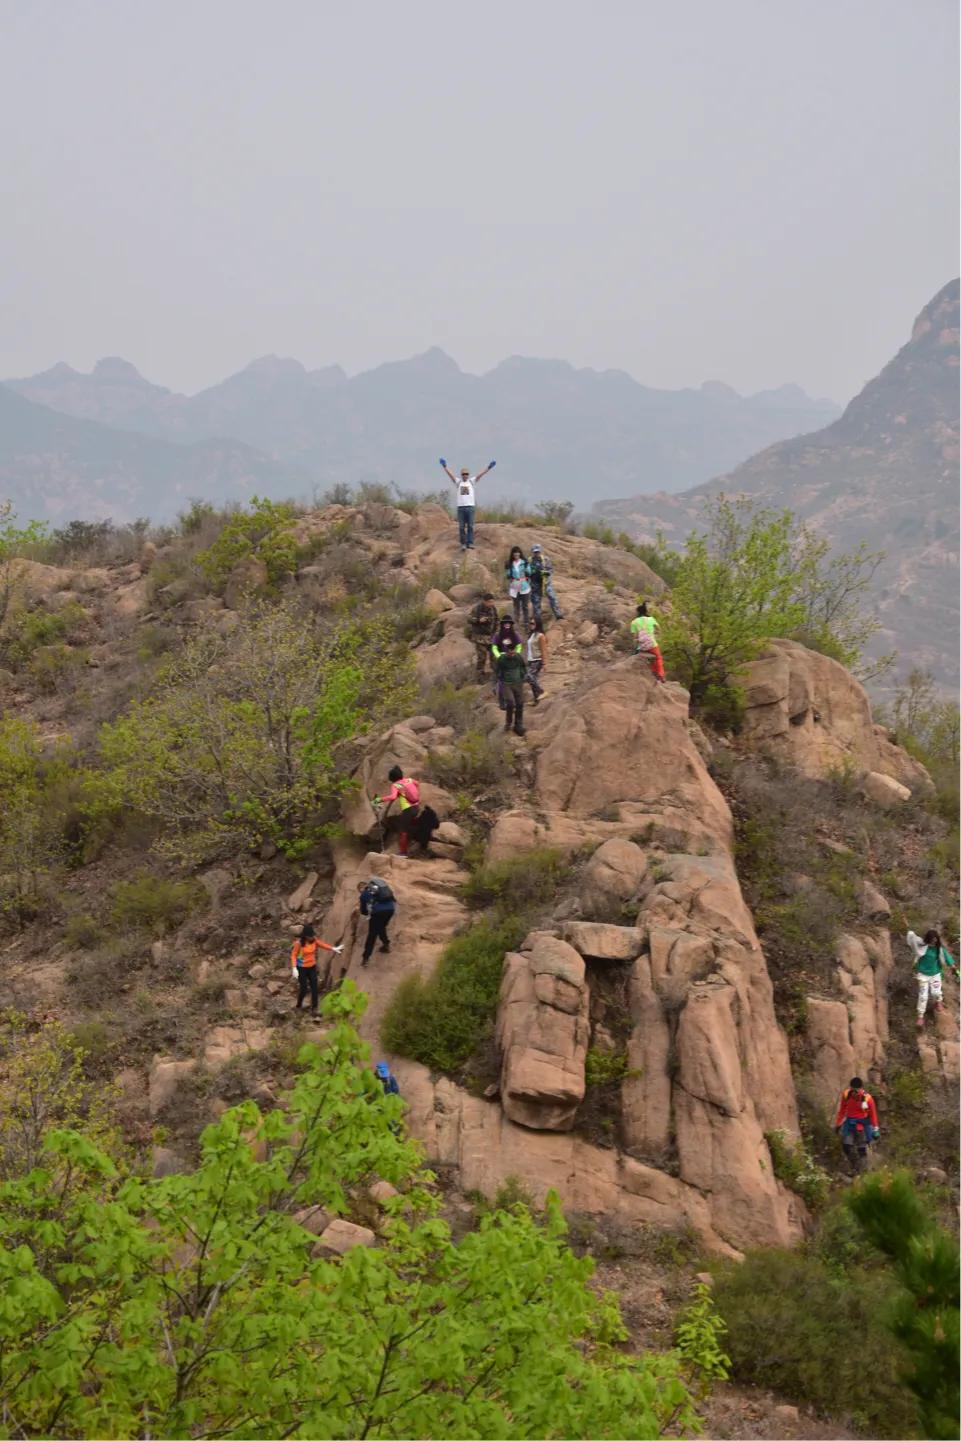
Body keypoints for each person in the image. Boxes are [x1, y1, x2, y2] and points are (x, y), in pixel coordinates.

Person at [439, 457, 496, 550]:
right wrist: (444, 466)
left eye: (466, 474)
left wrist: (489, 468)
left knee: (470, 526)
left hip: (470, 507)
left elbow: (480, 475)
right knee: (461, 527)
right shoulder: (458, 482)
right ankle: (463, 544)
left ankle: (470, 542)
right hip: (461, 508)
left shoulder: (471, 481)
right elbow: (451, 475)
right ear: (461, 475)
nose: (465, 475)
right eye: (463, 474)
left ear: (468, 475)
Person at [290, 923, 343, 1021]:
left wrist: (333, 948)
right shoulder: (298, 944)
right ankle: (298, 1005)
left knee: (315, 987)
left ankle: (314, 1008)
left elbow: (322, 945)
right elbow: (293, 955)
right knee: (304, 988)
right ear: (305, 936)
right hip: (301, 968)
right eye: (310, 936)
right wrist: (294, 968)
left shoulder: (314, 941)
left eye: (313, 935)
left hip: (312, 967)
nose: (312, 937)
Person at [907, 928, 957, 1028]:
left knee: (936, 992)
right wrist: (911, 934)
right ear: (928, 939)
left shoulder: (939, 949)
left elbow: (947, 958)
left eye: (936, 940)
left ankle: (938, 1002)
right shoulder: (921, 947)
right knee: (923, 996)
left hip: (935, 974)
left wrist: (954, 968)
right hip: (923, 975)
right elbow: (913, 940)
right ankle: (920, 1016)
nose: (934, 942)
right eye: (932, 940)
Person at [834, 1076, 880, 1175]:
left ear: (860, 1089)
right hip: (849, 1125)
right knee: (846, 1146)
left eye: (856, 1090)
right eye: (852, 1090)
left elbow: (873, 1115)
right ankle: (854, 1167)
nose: (854, 1093)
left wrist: (876, 1129)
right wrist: (838, 1124)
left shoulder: (868, 1099)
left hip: (862, 1126)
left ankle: (863, 1171)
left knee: (861, 1149)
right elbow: (842, 1110)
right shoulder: (846, 1095)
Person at [376, 766, 421, 858]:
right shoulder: (409, 780)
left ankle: (403, 853)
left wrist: (379, 799)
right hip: (416, 806)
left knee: (402, 831)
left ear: (392, 778)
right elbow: (417, 784)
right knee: (412, 825)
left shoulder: (396, 785)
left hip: (408, 809)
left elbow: (392, 797)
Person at [494, 634, 528, 736]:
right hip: (506, 684)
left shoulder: (518, 657)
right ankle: (508, 723)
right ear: (506, 651)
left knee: (520, 703)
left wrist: (522, 676)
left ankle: (518, 724)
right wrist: (500, 681)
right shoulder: (502, 659)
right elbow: (498, 671)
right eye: (510, 652)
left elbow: (523, 667)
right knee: (510, 702)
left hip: (518, 683)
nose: (512, 653)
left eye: (513, 651)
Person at [358, 877, 396, 966]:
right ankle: (386, 945)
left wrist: (368, 912)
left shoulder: (364, 894)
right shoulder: (381, 889)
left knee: (372, 935)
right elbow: (392, 898)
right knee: (381, 927)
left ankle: (365, 959)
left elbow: (363, 911)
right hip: (390, 910)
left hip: (378, 913)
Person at [630, 603, 665, 682]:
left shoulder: (634, 622)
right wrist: (655, 635)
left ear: (638, 612)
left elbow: (634, 637)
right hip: (652, 645)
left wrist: (637, 646)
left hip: (642, 646)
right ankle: (660, 675)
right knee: (658, 658)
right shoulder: (651, 619)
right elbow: (659, 629)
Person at [529, 543, 564, 621]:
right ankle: (538, 621)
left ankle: (558, 615)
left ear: (540, 551)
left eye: (538, 552)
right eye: (535, 552)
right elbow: (527, 572)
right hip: (535, 585)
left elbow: (550, 570)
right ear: (532, 552)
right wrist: (531, 572)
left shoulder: (545, 559)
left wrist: (545, 573)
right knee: (536, 603)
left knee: (553, 598)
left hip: (546, 583)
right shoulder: (530, 561)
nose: (536, 553)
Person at [468, 592, 499, 677]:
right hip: (480, 637)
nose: (491, 603)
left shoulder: (493, 609)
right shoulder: (477, 609)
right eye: (489, 602)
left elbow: (497, 620)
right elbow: (469, 619)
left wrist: (497, 631)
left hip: (491, 636)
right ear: (484, 601)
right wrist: (478, 620)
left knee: (494, 656)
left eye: (492, 601)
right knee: (482, 657)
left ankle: (496, 674)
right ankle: (480, 676)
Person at [504, 546, 532, 631]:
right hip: (514, 585)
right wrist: (508, 570)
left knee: (525, 606)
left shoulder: (524, 562)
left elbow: (529, 572)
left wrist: (527, 568)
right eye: (514, 552)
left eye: (518, 552)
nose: (516, 554)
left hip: (524, 585)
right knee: (516, 606)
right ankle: (516, 624)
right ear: (512, 554)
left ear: (520, 553)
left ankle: (526, 624)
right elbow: (507, 576)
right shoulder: (510, 563)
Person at [525, 616, 548, 703]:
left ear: (537, 624)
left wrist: (545, 663)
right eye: (530, 623)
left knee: (529, 676)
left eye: (533, 623)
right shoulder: (531, 635)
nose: (531, 625)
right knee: (533, 679)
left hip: (537, 660)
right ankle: (536, 700)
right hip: (531, 660)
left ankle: (542, 692)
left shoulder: (540, 636)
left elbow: (544, 650)